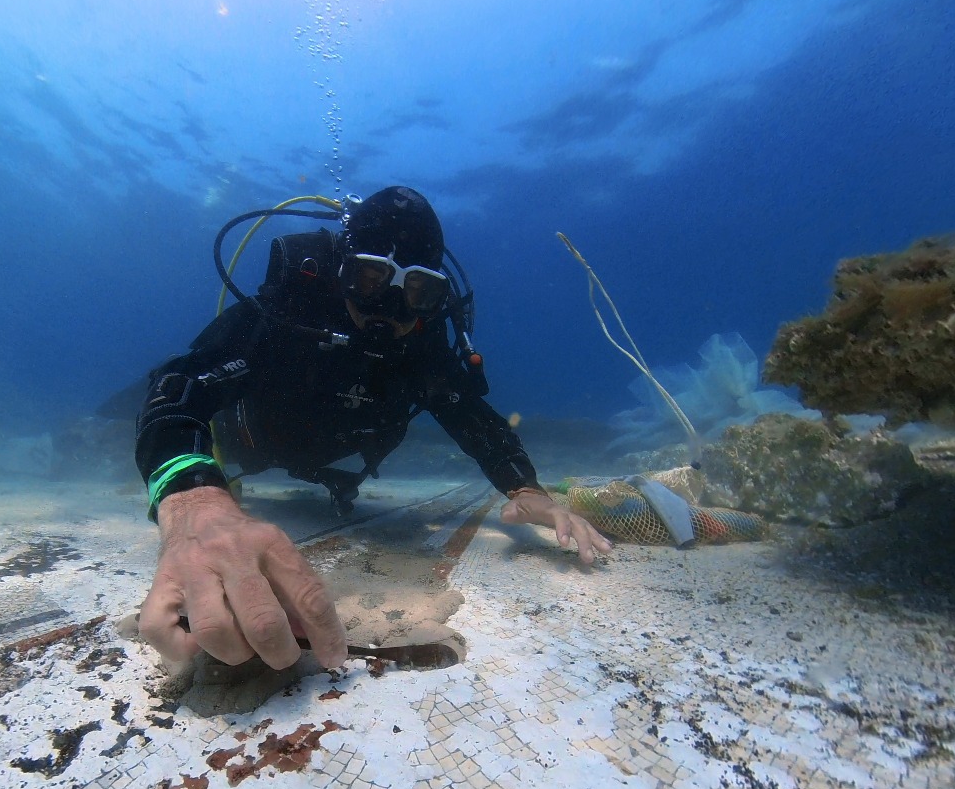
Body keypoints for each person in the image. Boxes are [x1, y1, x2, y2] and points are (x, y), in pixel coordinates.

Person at [134, 186, 611, 671]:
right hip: (253, 439)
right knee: (173, 418)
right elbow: (180, 383)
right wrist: (194, 500)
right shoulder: (285, 315)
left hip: (337, 458)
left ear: (435, 298)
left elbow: (475, 420)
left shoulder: (421, 350)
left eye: (419, 291)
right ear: (342, 270)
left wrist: (527, 489)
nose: (391, 307)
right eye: (370, 276)